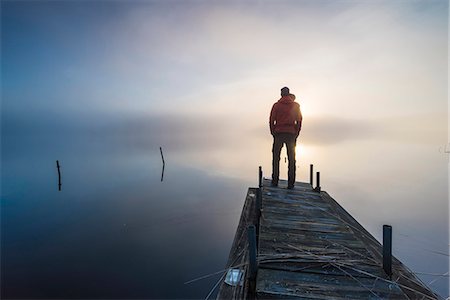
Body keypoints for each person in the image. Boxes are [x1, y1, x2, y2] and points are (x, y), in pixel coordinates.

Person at [269, 87, 302, 189]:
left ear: (281, 94)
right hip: (291, 134)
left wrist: (273, 132)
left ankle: (275, 181)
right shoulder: (295, 105)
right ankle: (291, 183)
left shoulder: (276, 105)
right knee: (291, 159)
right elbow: (299, 120)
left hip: (278, 133)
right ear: (289, 94)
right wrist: (296, 133)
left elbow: (271, 120)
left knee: (276, 157)